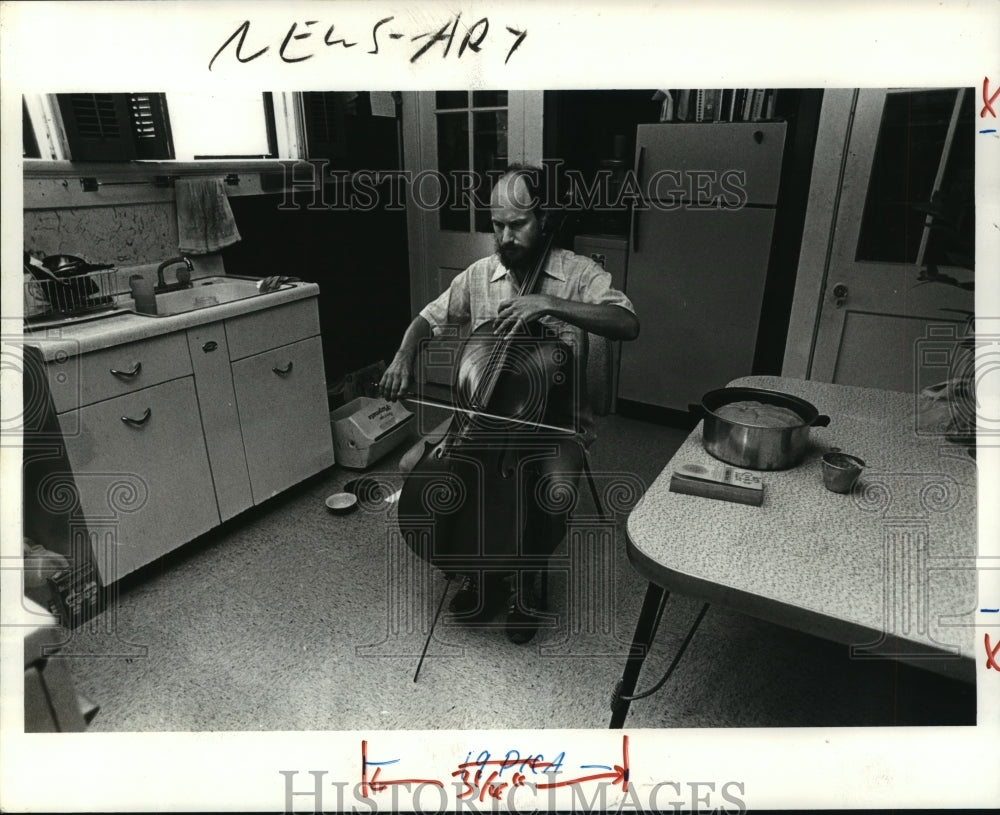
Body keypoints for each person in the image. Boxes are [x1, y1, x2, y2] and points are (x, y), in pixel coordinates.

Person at [379, 164, 639, 644]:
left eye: (516, 224)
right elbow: (426, 319)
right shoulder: (481, 275)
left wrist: (549, 304)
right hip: (479, 419)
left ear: (544, 219)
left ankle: (527, 581)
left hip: (554, 423)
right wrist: (402, 355)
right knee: (414, 464)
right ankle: (481, 570)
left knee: (551, 492)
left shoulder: (578, 274)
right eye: (496, 224)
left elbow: (626, 322)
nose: (504, 236)